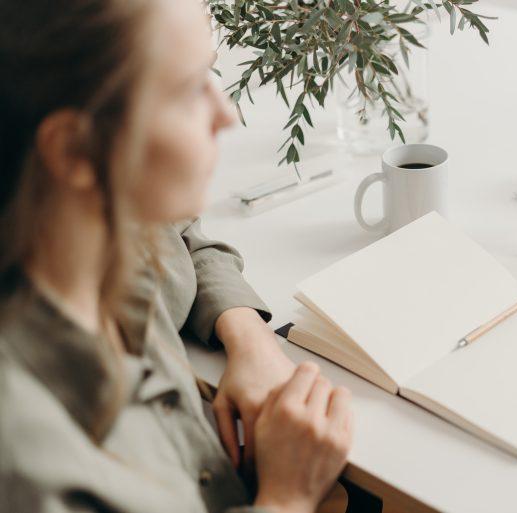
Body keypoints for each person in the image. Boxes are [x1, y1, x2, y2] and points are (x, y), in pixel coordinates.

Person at [0, 1, 354, 512]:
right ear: (75, 150)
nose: (226, 113)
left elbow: (176, 230)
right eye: (190, 90)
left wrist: (249, 338)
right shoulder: (32, 464)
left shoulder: (96, 217)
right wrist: (288, 497)